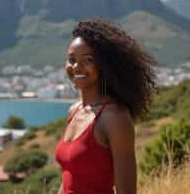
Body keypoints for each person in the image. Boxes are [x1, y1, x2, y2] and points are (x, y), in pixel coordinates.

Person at [55, 18, 157, 194]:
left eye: (88, 59)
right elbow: (67, 180)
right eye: (72, 59)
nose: (76, 67)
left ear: (104, 65)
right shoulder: (74, 111)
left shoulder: (114, 117)